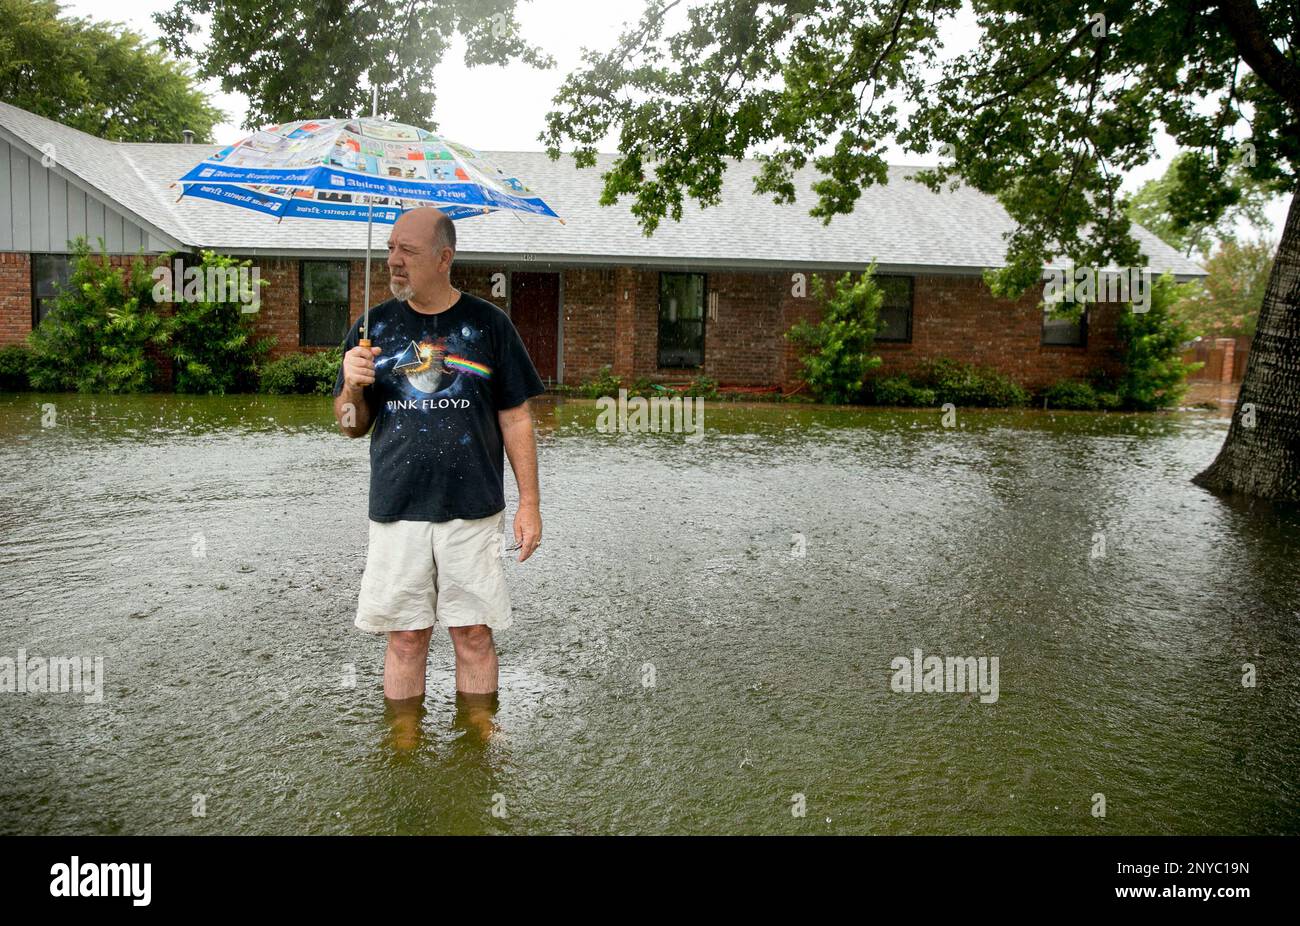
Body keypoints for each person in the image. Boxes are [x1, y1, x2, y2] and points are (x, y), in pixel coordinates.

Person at [332, 206, 545, 727]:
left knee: (473, 634)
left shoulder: (489, 324)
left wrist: (530, 505)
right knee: (405, 637)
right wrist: (352, 385)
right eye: (389, 249)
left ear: (444, 257)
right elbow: (348, 424)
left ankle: (477, 746)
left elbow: (516, 417)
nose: (393, 261)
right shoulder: (371, 328)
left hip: (472, 509)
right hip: (397, 507)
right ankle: (403, 753)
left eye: (407, 250)